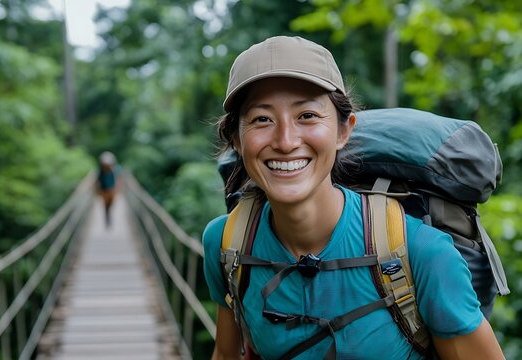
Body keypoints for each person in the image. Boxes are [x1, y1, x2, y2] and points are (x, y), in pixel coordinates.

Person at [202, 36, 505, 359]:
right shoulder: (227, 244)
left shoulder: (422, 254)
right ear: (236, 139)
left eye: (307, 115)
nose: (286, 141)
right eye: (262, 119)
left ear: (344, 131)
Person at [96, 151, 120, 227]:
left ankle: (108, 215)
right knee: (105, 205)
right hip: (104, 191)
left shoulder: (114, 171)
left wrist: (117, 189)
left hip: (111, 191)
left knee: (110, 204)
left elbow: (118, 180)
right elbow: (97, 181)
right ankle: (107, 217)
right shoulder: (100, 172)